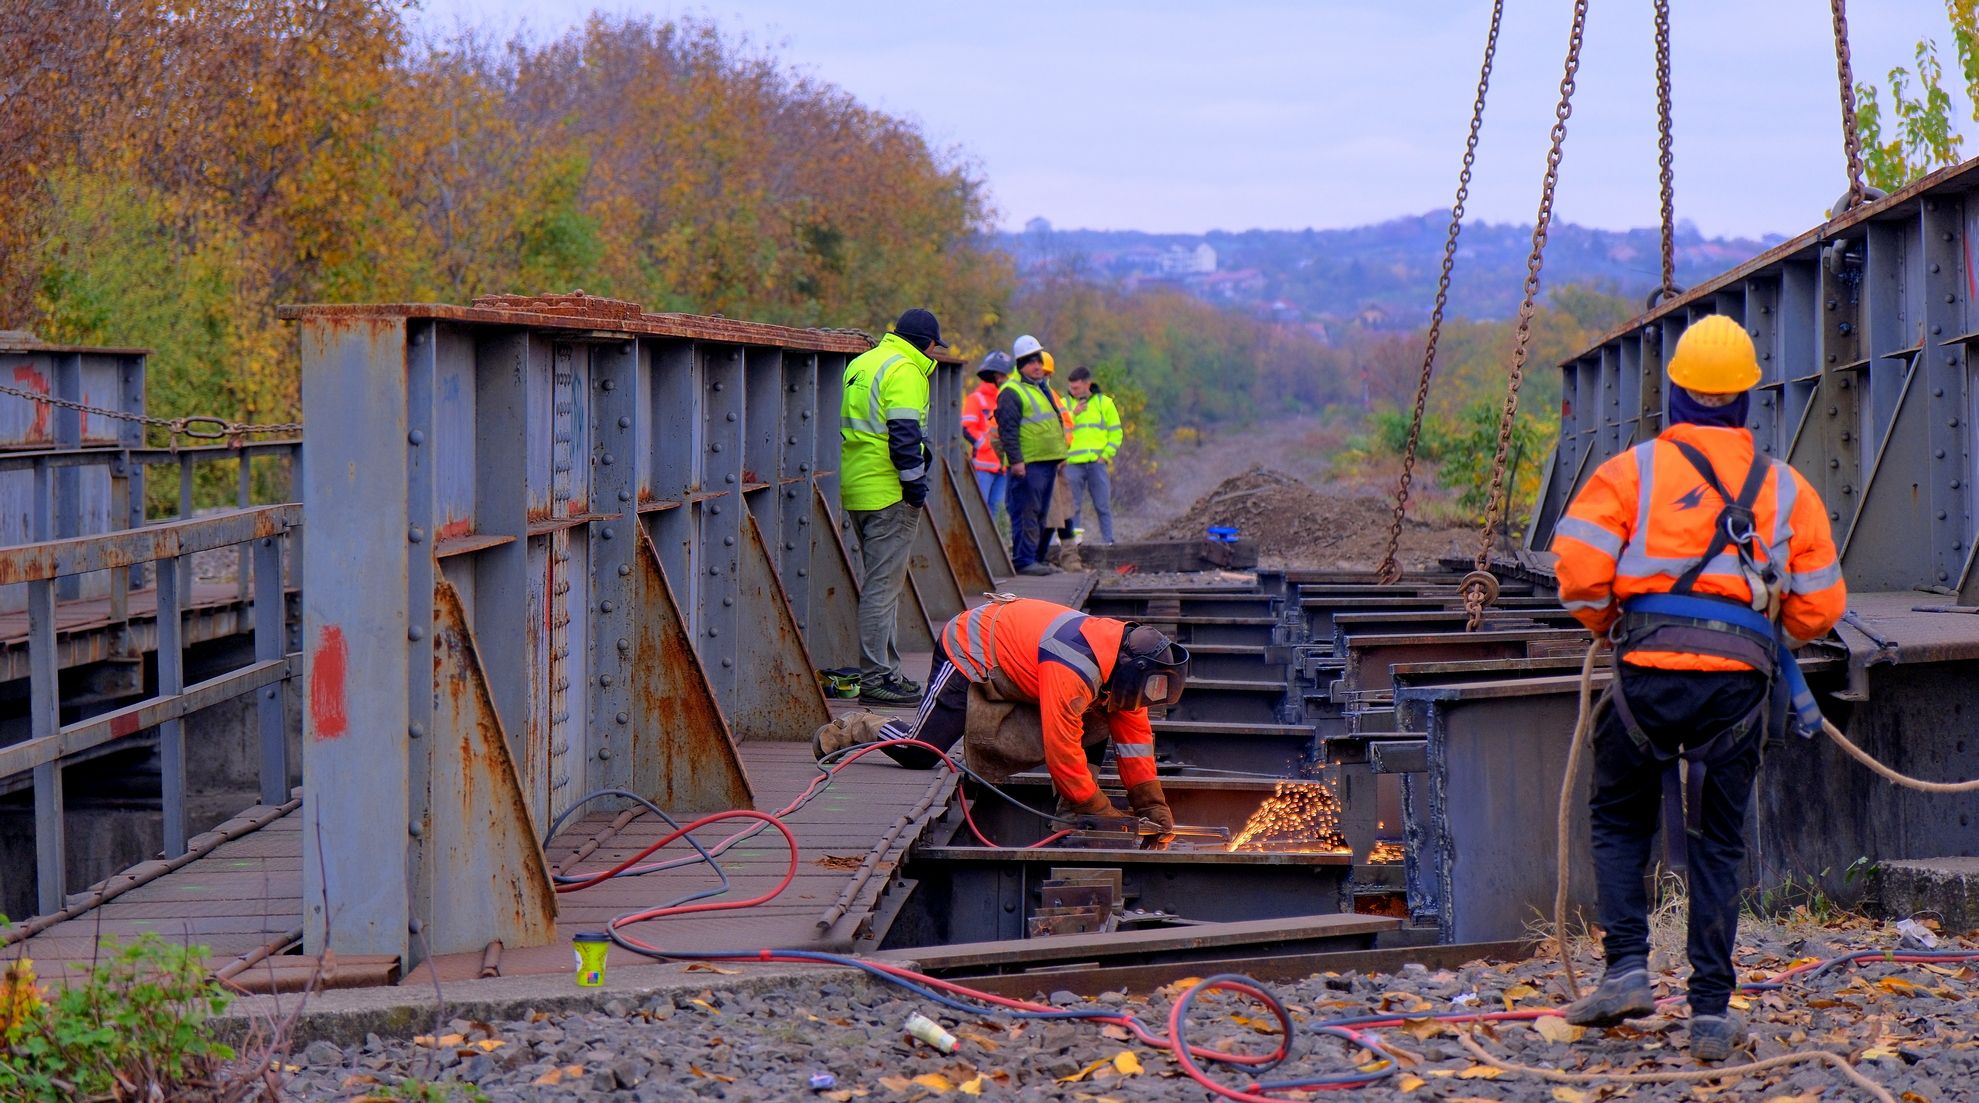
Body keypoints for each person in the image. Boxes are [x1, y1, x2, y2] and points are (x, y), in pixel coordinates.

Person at [1552, 314, 1846, 1062]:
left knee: (1618, 818)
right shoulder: (1786, 490)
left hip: (1643, 680)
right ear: (1747, 399)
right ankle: (1711, 1012)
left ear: (1674, 393)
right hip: (1736, 691)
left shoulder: (1628, 471)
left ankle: (1624, 968)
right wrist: (1757, 630)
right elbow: (1819, 608)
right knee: (1718, 842)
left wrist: (1608, 621)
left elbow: (1579, 576)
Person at [812, 596, 1187, 845]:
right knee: (918, 752)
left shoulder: (1124, 668)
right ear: (1134, 669)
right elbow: (1061, 747)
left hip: (1023, 671)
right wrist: (1100, 807)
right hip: (971, 650)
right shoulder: (1076, 665)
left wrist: (1150, 803)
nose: (1145, 700)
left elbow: (1135, 742)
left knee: (1104, 717)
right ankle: (859, 726)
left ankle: (1074, 806)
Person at [839, 308, 947, 704]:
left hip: (858, 485)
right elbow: (903, 433)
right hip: (888, 491)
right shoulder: (905, 370)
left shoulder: (863, 362)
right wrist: (915, 485)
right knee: (883, 588)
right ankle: (877, 677)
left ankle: (888, 671)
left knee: (881, 583)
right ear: (928, 344)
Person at [997, 335, 1070, 576]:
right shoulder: (1011, 391)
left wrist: (1059, 455)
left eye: (1038, 361)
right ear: (1020, 366)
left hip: (1046, 462)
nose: (1037, 366)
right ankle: (1024, 560)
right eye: (1030, 362)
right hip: (1028, 465)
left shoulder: (1040, 389)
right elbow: (1008, 430)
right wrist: (1017, 462)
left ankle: (1035, 558)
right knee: (1026, 512)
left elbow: (1054, 422)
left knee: (1039, 513)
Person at [1063, 365, 1123, 545]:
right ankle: (1073, 544)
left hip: (1097, 463)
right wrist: (1073, 414)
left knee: (1102, 505)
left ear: (1087, 384)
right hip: (1072, 463)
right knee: (1073, 507)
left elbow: (1116, 433)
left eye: (1077, 388)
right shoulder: (1065, 405)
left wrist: (1105, 455)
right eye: (1071, 388)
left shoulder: (1105, 403)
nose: (1073, 391)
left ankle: (1108, 542)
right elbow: (1058, 430)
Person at [962, 352, 1011, 521]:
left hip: (1003, 467)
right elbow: (966, 427)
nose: (1004, 378)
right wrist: (985, 444)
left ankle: (995, 547)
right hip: (983, 467)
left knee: (997, 514)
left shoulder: (1006, 397)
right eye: (1002, 375)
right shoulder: (976, 399)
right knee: (979, 512)